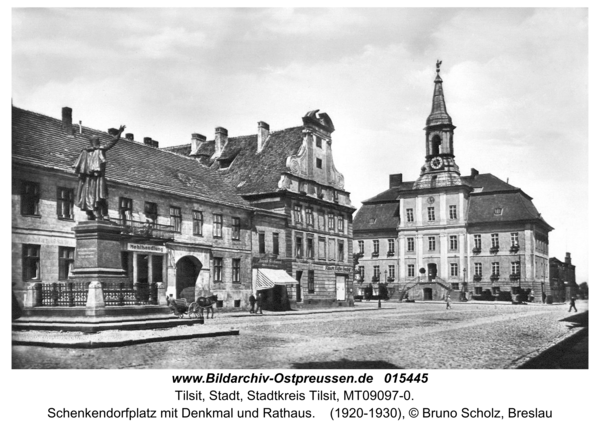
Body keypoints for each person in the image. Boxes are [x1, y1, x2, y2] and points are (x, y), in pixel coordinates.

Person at [73, 125, 125, 220]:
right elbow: (111, 143)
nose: (98, 142)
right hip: (92, 179)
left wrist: (118, 134)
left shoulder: (94, 150)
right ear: (94, 142)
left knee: (100, 196)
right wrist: (119, 133)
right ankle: (94, 214)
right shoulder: (88, 152)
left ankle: (103, 214)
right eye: (97, 140)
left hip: (95, 178)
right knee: (93, 197)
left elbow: (111, 142)